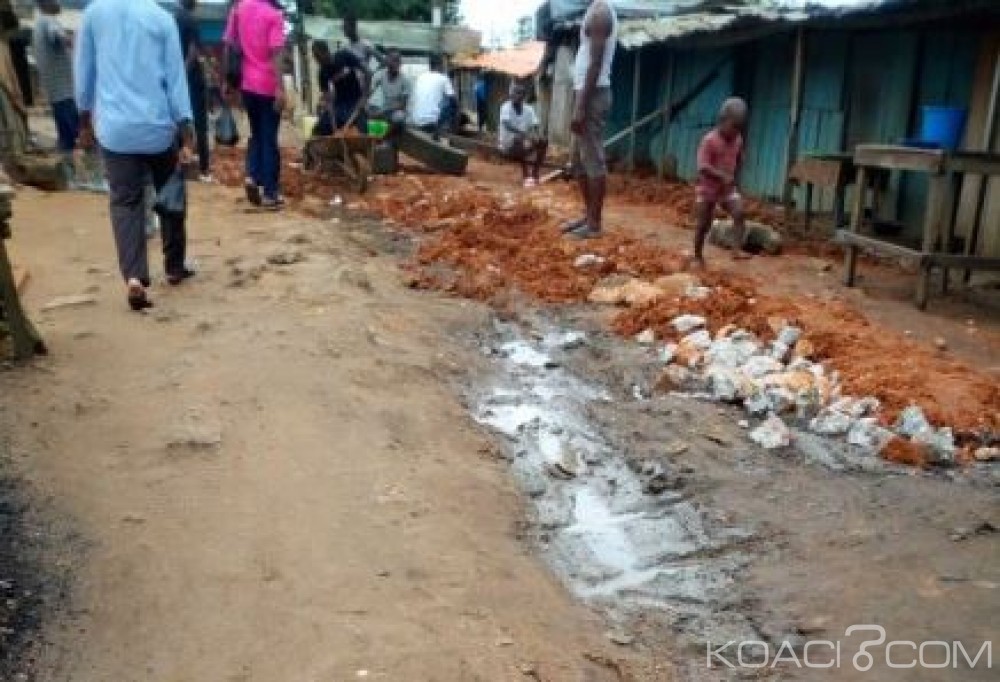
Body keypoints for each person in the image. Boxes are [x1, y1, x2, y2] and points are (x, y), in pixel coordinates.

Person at [74, 0, 195, 311]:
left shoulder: (93, 14)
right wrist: (186, 129)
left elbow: (84, 73)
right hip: (157, 127)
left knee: (125, 201)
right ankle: (174, 266)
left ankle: (135, 278)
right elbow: (175, 78)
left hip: (115, 131)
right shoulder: (161, 19)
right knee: (170, 195)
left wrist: (84, 122)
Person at [562, 0, 617, 240]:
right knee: (578, 160)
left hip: (593, 95)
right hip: (585, 92)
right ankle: (588, 215)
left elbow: (595, 64)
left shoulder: (601, 13)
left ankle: (595, 224)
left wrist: (581, 106)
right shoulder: (593, 10)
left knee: (593, 160)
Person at [224, 0, 286, 209]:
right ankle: (270, 193)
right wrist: (280, 88)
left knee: (257, 134)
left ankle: (252, 175)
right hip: (267, 85)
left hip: (247, 85)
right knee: (268, 138)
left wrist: (228, 80)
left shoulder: (239, 9)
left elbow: (229, 45)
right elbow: (276, 54)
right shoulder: (274, 15)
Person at [692, 97, 749, 268]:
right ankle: (697, 256)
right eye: (734, 126)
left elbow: (738, 157)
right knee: (703, 225)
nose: (736, 132)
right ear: (722, 120)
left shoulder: (738, 139)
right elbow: (702, 167)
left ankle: (736, 250)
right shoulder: (709, 141)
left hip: (727, 189)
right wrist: (721, 176)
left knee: (739, 213)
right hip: (708, 189)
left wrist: (736, 170)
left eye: (740, 128)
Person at [32, 1, 76, 159]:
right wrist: (75, 41)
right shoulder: (49, 21)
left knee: (64, 132)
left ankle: (66, 154)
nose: (59, 3)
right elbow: (58, 35)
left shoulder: (38, 23)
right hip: (63, 89)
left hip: (54, 88)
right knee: (72, 133)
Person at [175, 0, 212, 182]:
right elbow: (194, 50)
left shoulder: (173, 18)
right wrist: (185, 71)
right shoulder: (191, 20)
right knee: (200, 125)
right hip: (191, 79)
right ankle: (204, 170)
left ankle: (179, 168)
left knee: (178, 121)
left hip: (176, 78)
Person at [499, 83, 548, 188]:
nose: (516, 95)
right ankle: (526, 174)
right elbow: (507, 125)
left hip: (523, 144)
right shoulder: (505, 107)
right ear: (511, 94)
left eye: (519, 93)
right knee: (519, 139)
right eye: (514, 92)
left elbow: (535, 125)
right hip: (507, 146)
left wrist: (538, 135)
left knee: (543, 140)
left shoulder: (529, 109)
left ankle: (535, 173)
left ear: (523, 96)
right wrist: (524, 134)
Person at [409, 55, 456, 136]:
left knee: (444, 103)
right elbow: (453, 100)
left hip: (415, 120)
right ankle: (449, 132)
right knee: (452, 106)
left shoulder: (420, 77)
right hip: (431, 122)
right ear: (439, 65)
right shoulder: (443, 78)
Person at [369, 50, 409, 133]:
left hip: (396, 111)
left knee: (399, 117)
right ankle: (377, 138)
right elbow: (369, 93)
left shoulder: (405, 80)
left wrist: (382, 111)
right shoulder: (380, 74)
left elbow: (402, 105)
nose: (397, 64)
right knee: (369, 112)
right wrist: (366, 106)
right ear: (387, 62)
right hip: (384, 109)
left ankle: (388, 139)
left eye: (398, 61)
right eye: (394, 60)